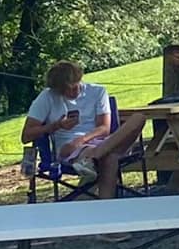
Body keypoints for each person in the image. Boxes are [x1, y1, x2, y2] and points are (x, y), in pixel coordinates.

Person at [21, 61, 148, 200]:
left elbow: (104, 128)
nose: (70, 92)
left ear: (80, 79)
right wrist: (57, 125)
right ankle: (107, 206)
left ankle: (92, 159)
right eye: (65, 90)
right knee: (109, 157)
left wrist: (80, 140)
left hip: (100, 142)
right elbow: (26, 136)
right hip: (71, 149)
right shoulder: (47, 97)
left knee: (139, 118)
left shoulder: (97, 92)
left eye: (74, 88)